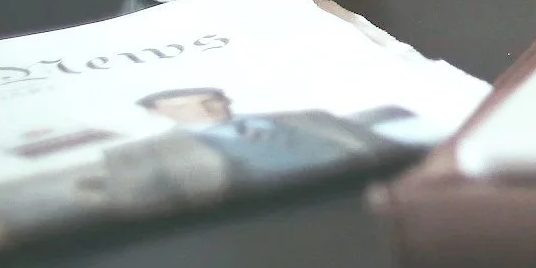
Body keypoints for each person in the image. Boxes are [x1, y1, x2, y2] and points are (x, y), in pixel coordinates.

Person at [130, 87, 416, 189]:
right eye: (183, 107)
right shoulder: (154, 154)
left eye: (210, 101)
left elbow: (385, 148)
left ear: (226, 100)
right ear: (158, 113)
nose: (202, 110)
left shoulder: (311, 118)